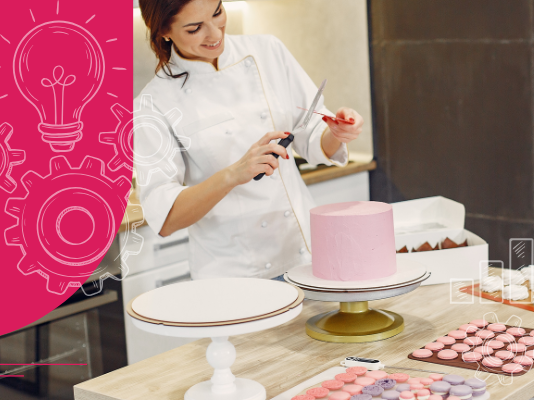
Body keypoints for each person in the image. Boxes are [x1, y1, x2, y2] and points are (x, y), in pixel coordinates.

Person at [135, 0, 364, 280]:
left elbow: (312, 131)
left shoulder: (267, 51)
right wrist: (234, 174)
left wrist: (336, 133)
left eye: (217, 13)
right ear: (163, 31)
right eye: (195, 28)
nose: (215, 34)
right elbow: (166, 218)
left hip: (305, 257)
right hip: (234, 277)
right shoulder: (154, 103)